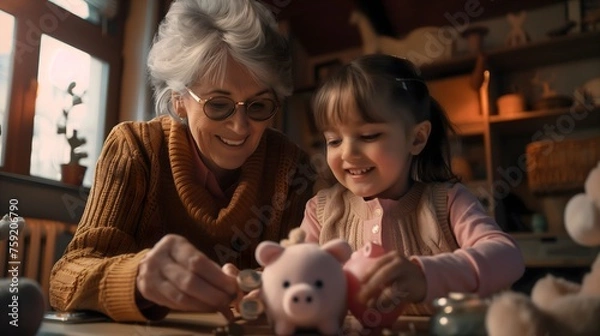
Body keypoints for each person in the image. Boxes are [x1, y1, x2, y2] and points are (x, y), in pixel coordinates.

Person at [50, 0, 317, 322]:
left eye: (259, 106)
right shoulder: (135, 148)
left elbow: (306, 273)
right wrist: (137, 279)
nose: (240, 126)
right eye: (219, 104)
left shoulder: (291, 167)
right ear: (178, 100)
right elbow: (66, 279)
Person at [300, 54, 525, 316]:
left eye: (369, 135)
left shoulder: (448, 202)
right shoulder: (320, 211)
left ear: (417, 138)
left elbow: (507, 258)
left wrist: (424, 275)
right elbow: (291, 272)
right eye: (334, 141)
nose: (347, 153)